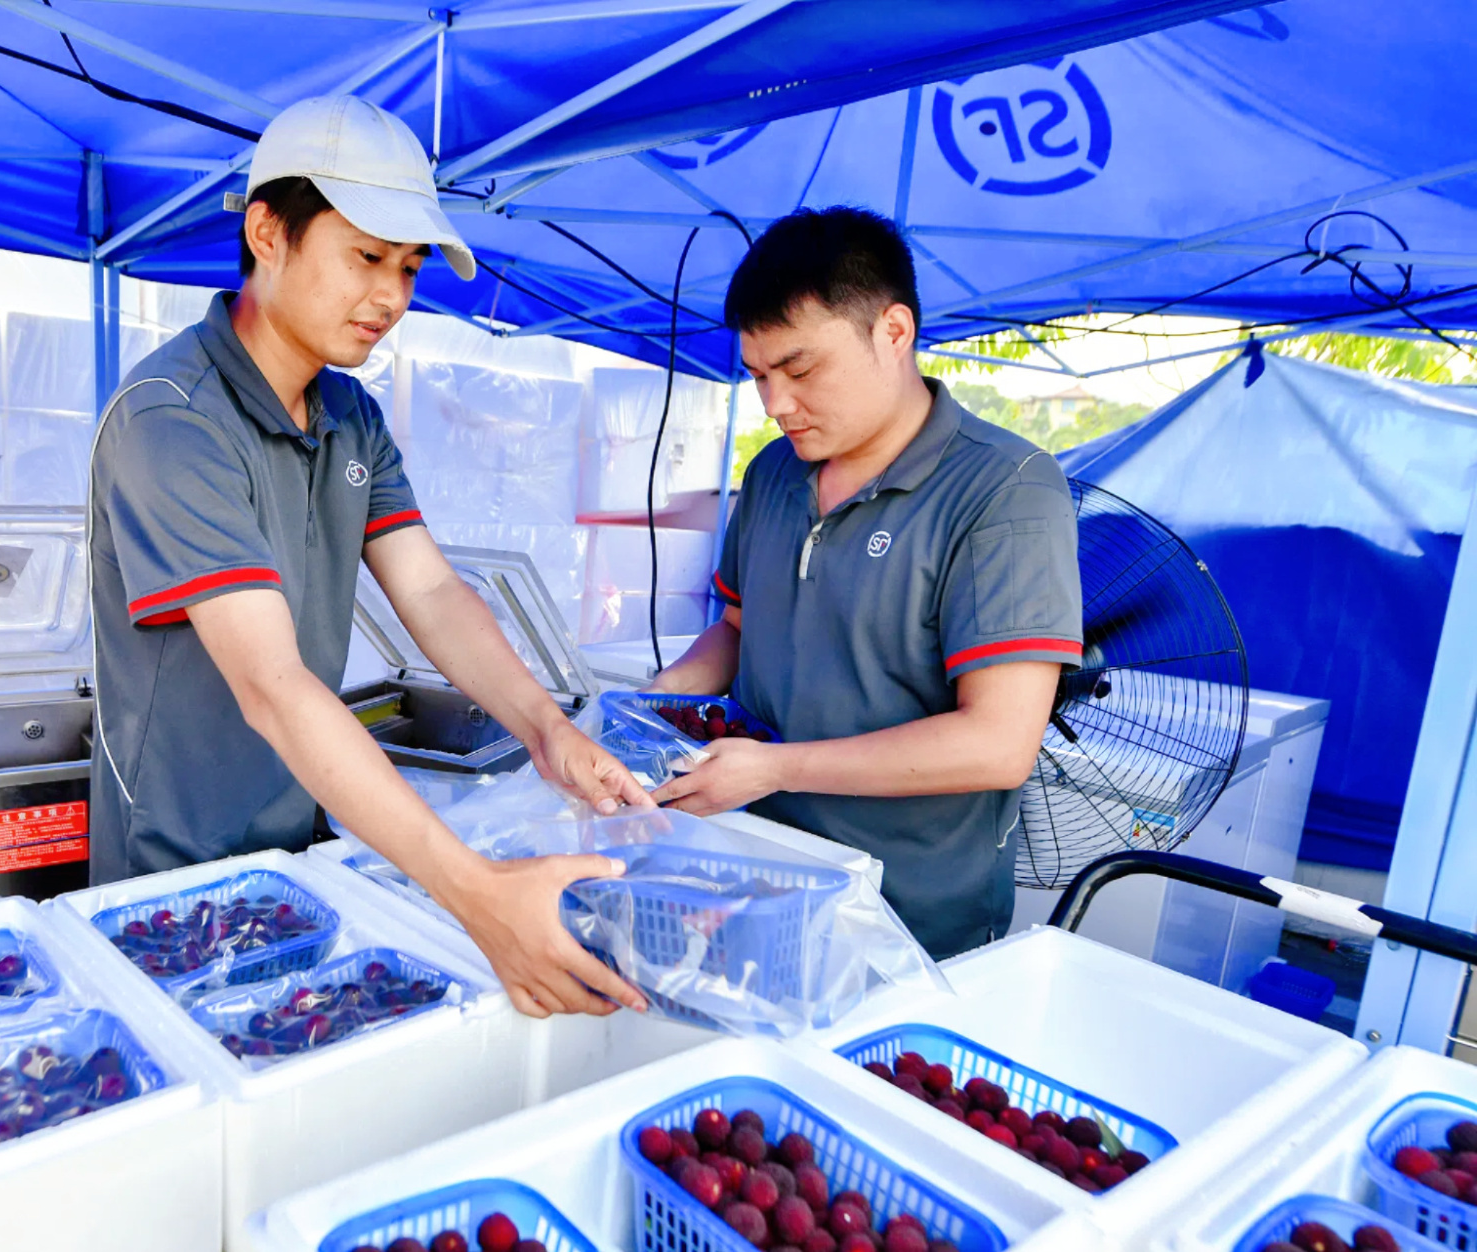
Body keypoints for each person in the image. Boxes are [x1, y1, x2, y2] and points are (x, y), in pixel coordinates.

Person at [86, 95, 651, 1018]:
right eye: (366, 257)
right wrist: (471, 890)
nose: (393, 297)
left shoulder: (350, 415)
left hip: (296, 847)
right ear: (267, 232)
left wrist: (549, 732)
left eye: (409, 266)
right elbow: (271, 686)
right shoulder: (172, 419)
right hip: (170, 875)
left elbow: (430, 588)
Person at [645, 206, 1083, 960]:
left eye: (801, 369)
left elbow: (999, 743)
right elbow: (740, 628)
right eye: (757, 377)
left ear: (894, 332)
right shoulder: (774, 473)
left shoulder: (1005, 489)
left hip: (902, 917)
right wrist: (650, 708)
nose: (776, 405)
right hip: (750, 871)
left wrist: (774, 768)